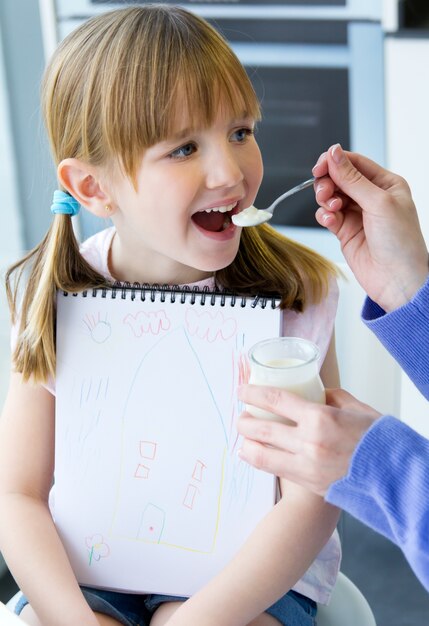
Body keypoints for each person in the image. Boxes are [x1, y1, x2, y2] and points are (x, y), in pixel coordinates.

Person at [0, 7, 343, 626]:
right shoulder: (58, 294)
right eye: (184, 147)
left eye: (240, 131)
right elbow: (17, 494)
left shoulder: (295, 293)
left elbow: (312, 497)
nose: (230, 173)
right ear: (93, 188)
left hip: (248, 580)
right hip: (91, 572)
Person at [237, 143, 429, 591]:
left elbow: (307, 509)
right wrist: (409, 288)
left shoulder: (303, 288)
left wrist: (385, 468)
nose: (229, 171)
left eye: (241, 132)